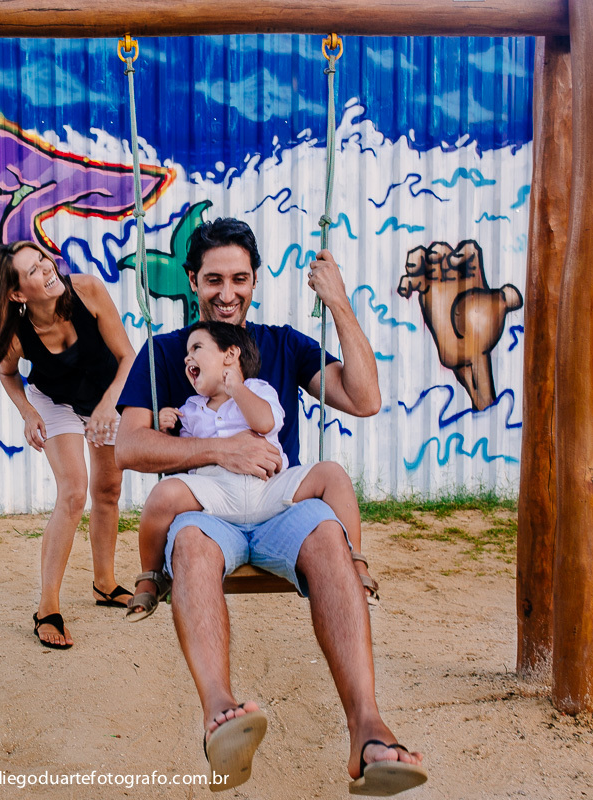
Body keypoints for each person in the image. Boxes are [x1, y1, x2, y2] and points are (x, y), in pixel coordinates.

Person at [116, 218, 426, 794]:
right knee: (189, 544)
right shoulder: (166, 352)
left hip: (279, 502)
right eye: (213, 279)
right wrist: (219, 449)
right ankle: (220, 716)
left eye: (239, 279)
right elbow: (129, 446)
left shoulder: (283, 345)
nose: (226, 293)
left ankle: (367, 730)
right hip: (208, 506)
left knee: (328, 534)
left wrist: (338, 303)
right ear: (192, 280)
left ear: (254, 281)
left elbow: (364, 399)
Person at [0, 241, 136, 649]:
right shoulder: (18, 334)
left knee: (108, 490)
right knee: (73, 492)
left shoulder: (87, 290)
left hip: (106, 396)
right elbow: (8, 374)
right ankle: (47, 607)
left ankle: (104, 584)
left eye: (43, 260)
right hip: (55, 401)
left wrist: (107, 406)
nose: (47, 269)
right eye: (33, 270)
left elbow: (128, 357)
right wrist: (28, 413)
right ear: (18, 294)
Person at [126, 320, 362, 624]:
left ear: (230, 354)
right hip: (217, 494)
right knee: (162, 494)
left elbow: (264, 423)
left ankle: (356, 562)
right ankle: (151, 576)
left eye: (196, 348)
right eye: (187, 352)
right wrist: (164, 427)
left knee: (333, 474)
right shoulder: (192, 407)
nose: (187, 358)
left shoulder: (258, 389)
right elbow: (185, 457)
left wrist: (236, 387)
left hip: (270, 490)